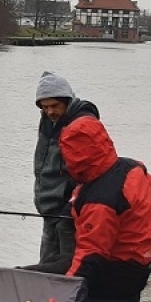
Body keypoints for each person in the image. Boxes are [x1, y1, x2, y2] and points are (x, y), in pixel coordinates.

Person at [57, 114, 151, 302]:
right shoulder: (130, 167)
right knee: (53, 266)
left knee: (38, 276)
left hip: (120, 271)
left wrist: (65, 294)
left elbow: (91, 255)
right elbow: (146, 184)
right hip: (140, 260)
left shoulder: (101, 201)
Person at [21, 72, 99, 276]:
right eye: (45, 107)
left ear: (67, 100)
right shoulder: (49, 120)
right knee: (47, 266)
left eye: (55, 105)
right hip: (49, 210)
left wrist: (70, 207)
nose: (50, 111)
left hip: (68, 214)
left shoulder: (82, 125)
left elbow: (89, 173)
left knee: (66, 271)